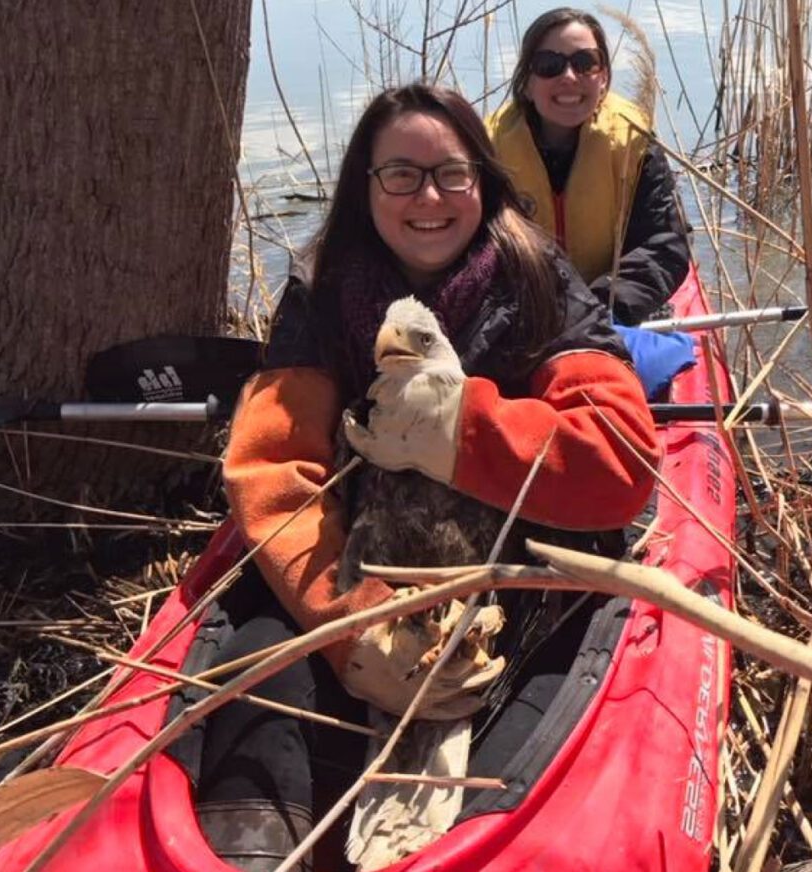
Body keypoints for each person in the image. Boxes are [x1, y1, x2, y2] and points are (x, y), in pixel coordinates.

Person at [197, 82, 660, 871]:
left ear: (482, 179)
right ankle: (255, 849)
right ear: (365, 187)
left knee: (544, 689)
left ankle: (471, 842)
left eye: (451, 173)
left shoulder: (540, 282)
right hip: (365, 563)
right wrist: (350, 625)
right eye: (401, 175)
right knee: (260, 657)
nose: (430, 198)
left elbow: (620, 465)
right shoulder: (320, 294)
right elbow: (275, 468)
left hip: (511, 575)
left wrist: (464, 430)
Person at [486, 7, 691, 328]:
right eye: (549, 65)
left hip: (612, 311)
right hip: (523, 316)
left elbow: (664, 246)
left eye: (585, 63)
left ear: (604, 78)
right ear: (526, 83)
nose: (569, 77)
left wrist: (599, 309)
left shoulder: (633, 143)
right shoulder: (488, 151)